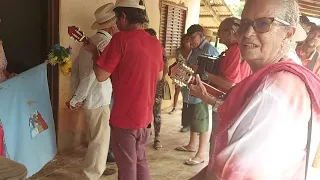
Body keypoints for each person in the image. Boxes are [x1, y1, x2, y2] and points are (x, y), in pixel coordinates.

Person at [189, 0, 320, 179]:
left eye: (264, 24)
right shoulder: (285, 76)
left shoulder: (273, 92)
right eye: (244, 24)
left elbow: (228, 174)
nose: (248, 33)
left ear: (288, 33)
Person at [84, 0, 164, 179]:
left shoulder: (120, 39)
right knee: (140, 160)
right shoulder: (155, 43)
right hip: (145, 116)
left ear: (124, 17)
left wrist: (95, 53)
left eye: (117, 19)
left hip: (124, 118)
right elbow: (158, 77)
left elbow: (101, 75)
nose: (116, 24)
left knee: (127, 167)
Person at [67, 3, 118, 179]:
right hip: (98, 98)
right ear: (113, 26)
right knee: (100, 140)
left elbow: (75, 71)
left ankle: (99, 167)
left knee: (97, 138)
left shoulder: (90, 42)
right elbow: (91, 75)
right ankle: (91, 175)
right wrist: (76, 98)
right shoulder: (105, 44)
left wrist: (76, 95)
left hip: (91, 98)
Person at [175, 24, 219, 166]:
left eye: (193, 37)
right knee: (194, 119)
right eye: (189, 38)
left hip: (203, 92)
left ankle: (200, 154)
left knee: (202, 121)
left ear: (201, 36)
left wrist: (196, 73)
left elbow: (212, 74)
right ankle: (192, 145)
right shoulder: (194, 50)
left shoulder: (209, 50)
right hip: (192, 91)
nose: (191, 40)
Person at [144, 28, 169, 150]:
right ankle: (147, 134)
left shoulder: (160, 50)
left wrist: (161, 78)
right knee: (145, 111)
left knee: (156, 112)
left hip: (156, 86)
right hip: (144, 86)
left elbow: (166, 67)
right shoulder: (142, 49)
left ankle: (157, 137)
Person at [169, 34, 191, 119]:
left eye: (188, 39)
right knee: (177, 90)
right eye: (184, 39)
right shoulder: (179, 50)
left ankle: (185, 108)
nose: (186, 41)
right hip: (179, 73)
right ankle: (174, 107)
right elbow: (177, 62)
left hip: (189, 73)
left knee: (187, 92)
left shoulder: (192, 50)